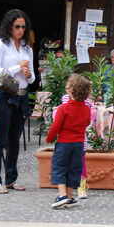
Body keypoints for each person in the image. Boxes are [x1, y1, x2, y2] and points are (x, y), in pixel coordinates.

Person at [0, 9, 35, 194]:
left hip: (21, 95)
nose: (21, 30)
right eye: (17, 26)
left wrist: (29, 74)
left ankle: (11, 179)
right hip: (6, 95)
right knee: (0, 139)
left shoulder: (27, 48)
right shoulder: (1, 45)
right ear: (9, 26)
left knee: (14, 140)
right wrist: (17, 67)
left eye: (23, 26)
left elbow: (30, 79)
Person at [46, 74, 92, 208]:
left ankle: (62, 195)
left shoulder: (63, 108)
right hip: (79, 144)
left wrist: (49, 138)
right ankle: (70, 197)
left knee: (60, 167)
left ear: (70, 90)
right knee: (74, 169)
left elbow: (56, 126)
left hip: (64, 143)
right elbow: (87, 122)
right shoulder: (86, 109)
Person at [60, 88, 93, 199]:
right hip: (70, 138)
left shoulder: (86, 101)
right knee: (69, 163)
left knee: (79, 163)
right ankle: (67, 189)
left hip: (78, 138)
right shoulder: (65, 99)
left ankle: (80, 187)